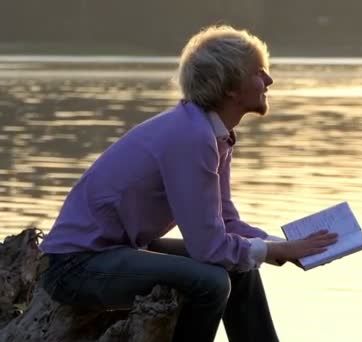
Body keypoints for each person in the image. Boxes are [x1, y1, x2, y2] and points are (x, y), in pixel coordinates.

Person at [38, 25, 337, 342]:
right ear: (230, 86)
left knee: (242, 269)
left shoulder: (211, 134)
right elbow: (208, 247)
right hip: (75, 267)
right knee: (211, 281)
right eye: (258, 72)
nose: (269, 81)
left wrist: (284, 246)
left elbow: (225, 221)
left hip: (119, 250)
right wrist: (273, 249)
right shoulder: (191, 137)